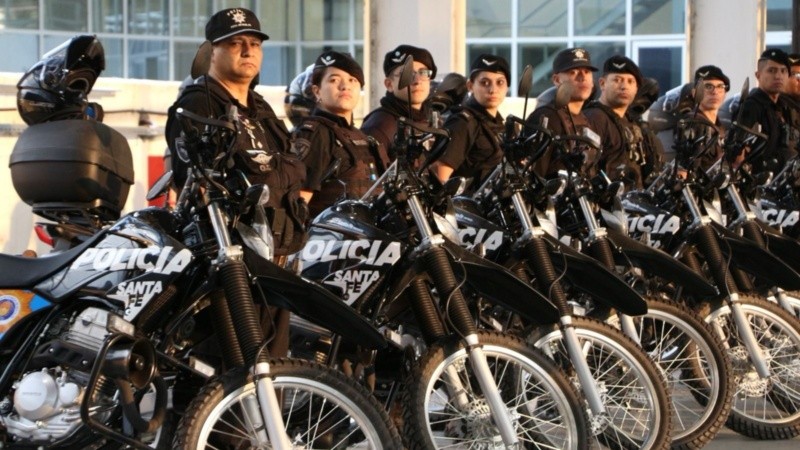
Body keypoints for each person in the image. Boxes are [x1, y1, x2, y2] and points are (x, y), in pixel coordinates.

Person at [165, 7, 306, 357]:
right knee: (235, 368)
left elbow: (292, 171)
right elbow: (201, 185)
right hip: (229, 264)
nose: (248, 51)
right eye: (236, 43)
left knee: (271, 367)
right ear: (211, 51)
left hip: (275, 260)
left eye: (255, 44)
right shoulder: (198, 104)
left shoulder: (260, 109)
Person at [291, 50, 388, 218]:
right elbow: (298, 204)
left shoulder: (363, 138)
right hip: (327, 241)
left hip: (366, 238)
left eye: (353, 80)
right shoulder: (315, 134)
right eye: (334, 80)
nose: (345, 86)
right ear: (317, 91)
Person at [433, 54, 509, 189]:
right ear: (470, 85)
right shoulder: (463, 123)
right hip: (469, 206)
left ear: (507, 87)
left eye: (500, 83)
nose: (492, 90)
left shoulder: (504, 125)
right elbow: (441, 178)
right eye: (484, 83)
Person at [525, 47, 600, 178]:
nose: (582, 78)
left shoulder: (585, 119)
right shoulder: (546, 117)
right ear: (556, 80)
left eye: (587, 72)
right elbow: (534, 175)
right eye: (573, 72)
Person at [361, 44, 438, 158]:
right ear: (389, 84)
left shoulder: (434, 121)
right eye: (406, 74)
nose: (417, 81)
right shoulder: (379, 126)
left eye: (423, 73)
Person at [584, 55, 649, 188]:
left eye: (630, 81)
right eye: (617, 80)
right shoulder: (595, 118)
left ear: (636, 88)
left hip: (633, 202)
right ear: (602, 83)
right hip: (608, 205)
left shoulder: (632, 122)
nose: (624, 86)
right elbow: (587, 169)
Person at [739, 48, 798, 174]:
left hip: (785, 180)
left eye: (783, 71)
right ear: (758, 75)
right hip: (760, 182)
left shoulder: (786, 107)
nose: (778, 76)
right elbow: (738, 154)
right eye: (771, 71)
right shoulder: (751, 106)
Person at [674, 65, 731, 173]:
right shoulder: (692, 123)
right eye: (708, 86)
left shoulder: (720, 127)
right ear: (695, 93)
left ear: (725, 93)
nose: (715, 92)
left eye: (720, 86)